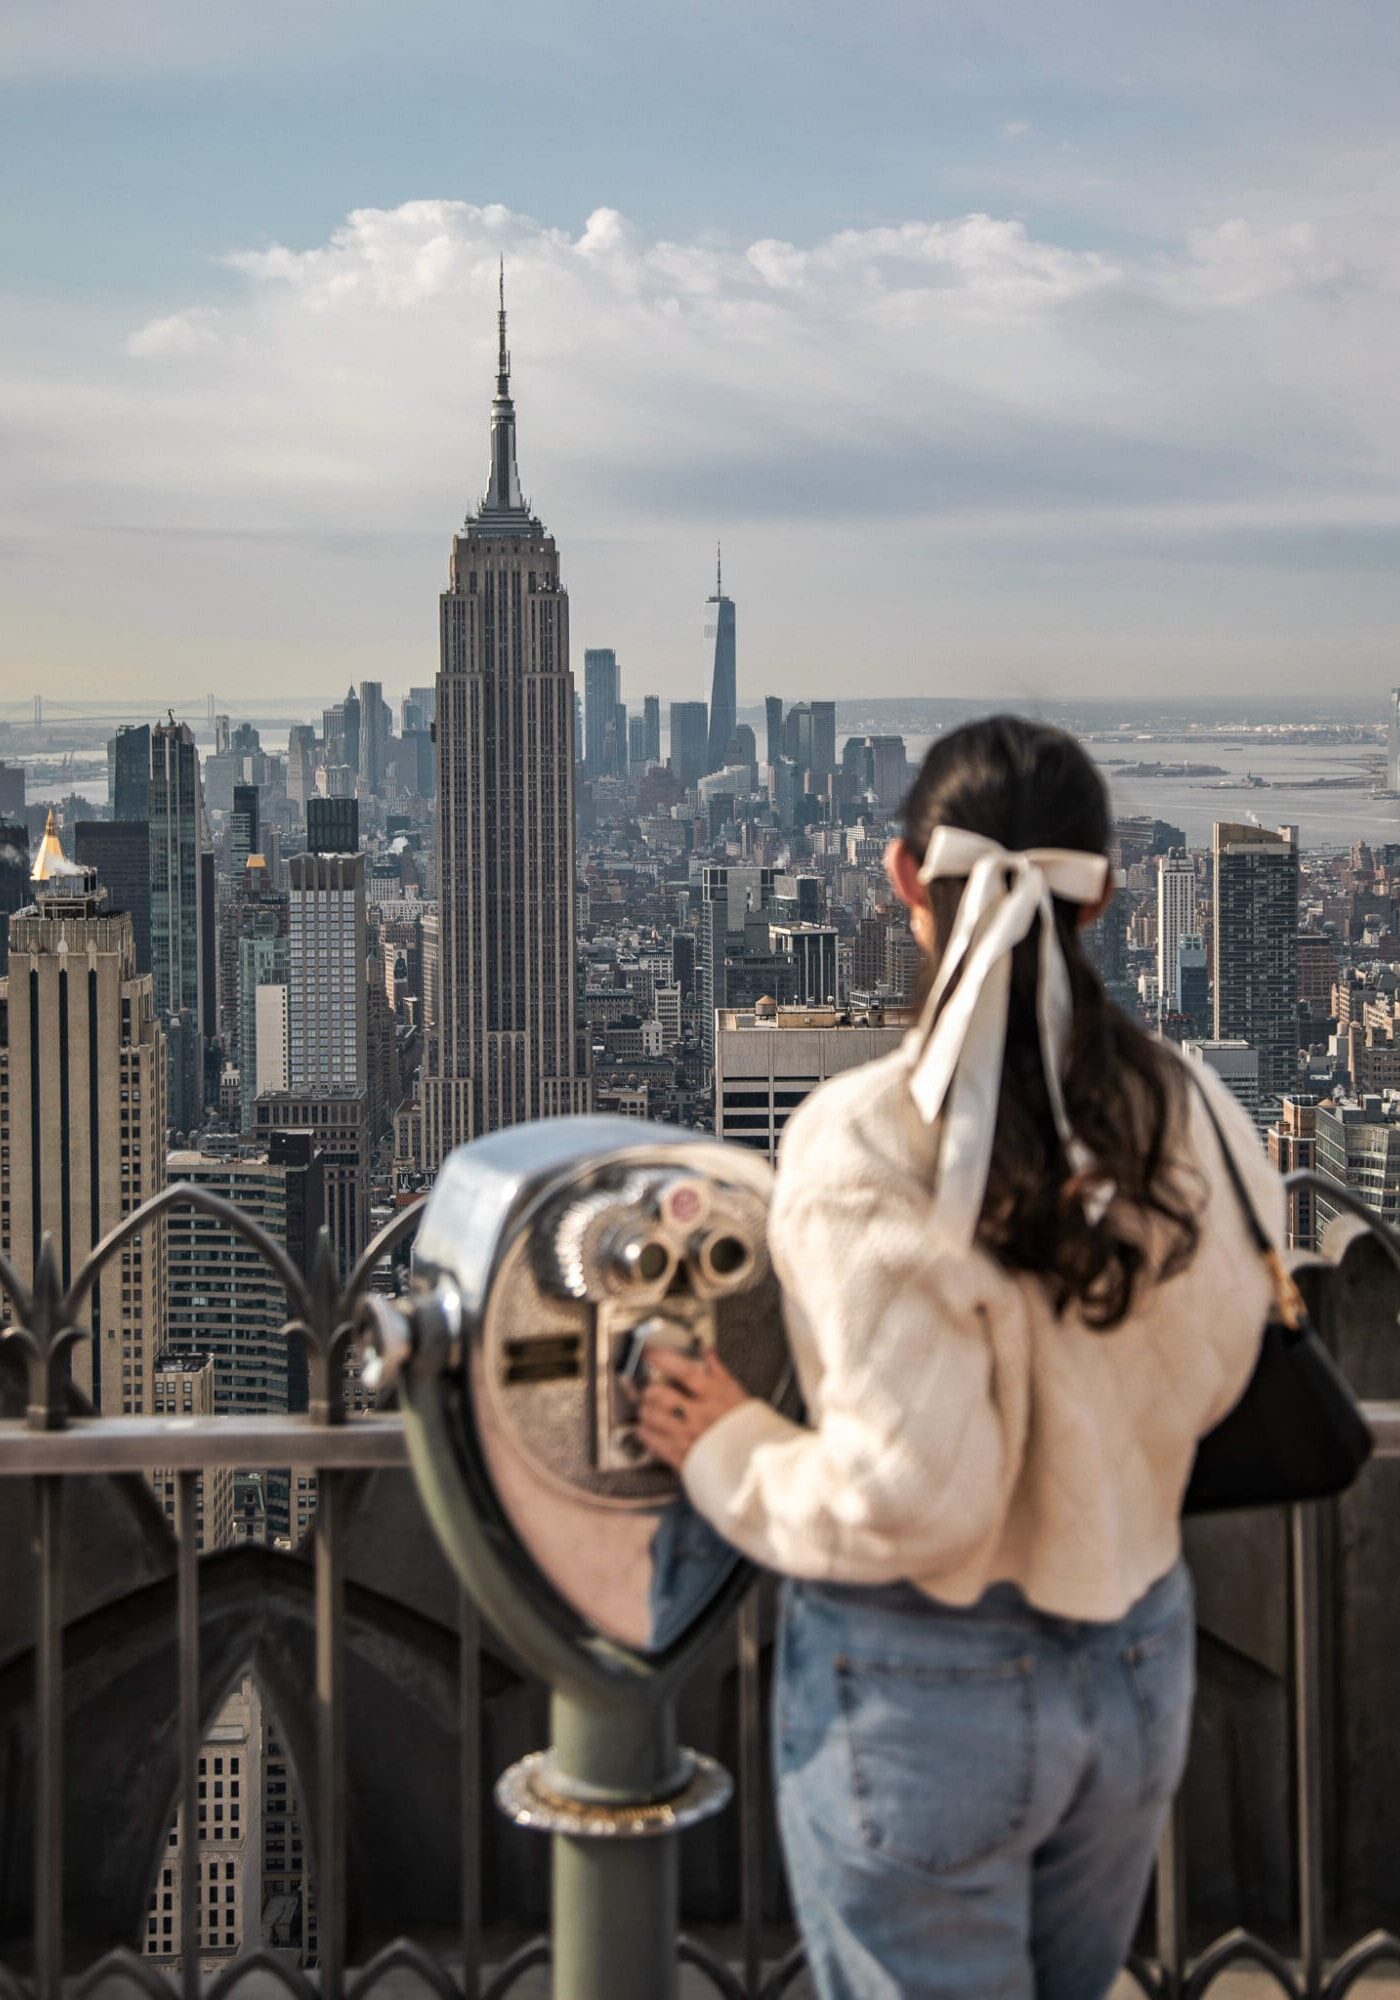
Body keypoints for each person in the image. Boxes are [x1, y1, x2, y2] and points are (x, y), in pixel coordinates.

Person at [637, 715, 1281, 2000]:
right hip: (1137, 1652)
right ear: (1103, 894)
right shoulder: (1193, 1110)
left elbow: (909, 1497)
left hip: (922, 1692)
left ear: (897, 880)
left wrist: (722, 1440)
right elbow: (1228, 1355)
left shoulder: (864, 1139)